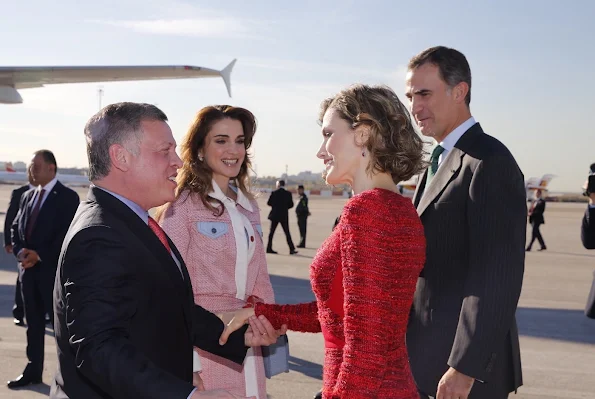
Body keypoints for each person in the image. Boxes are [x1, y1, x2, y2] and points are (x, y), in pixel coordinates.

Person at [51, 102, 285, 399]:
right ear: (121, 157)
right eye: (164, 151)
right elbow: (100, 349)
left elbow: (168, 306)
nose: (177, 161)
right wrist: (186, 395)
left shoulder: (131, 223)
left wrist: (234, 335)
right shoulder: (99, 236)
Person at [220, 84, 427, 398]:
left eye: (329, 134)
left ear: (363, 134)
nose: (320, 151)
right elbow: (345, 315)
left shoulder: (368, 211)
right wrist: (272, 315)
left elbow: (367, 347)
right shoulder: (395, 207)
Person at [405, 46, 526, 399]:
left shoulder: (488, 162)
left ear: (460, 91)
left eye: (424, 94)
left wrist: (464, 368)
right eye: (411, 96)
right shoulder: (442, 160)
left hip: (465, 374)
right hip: (433, 359)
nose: (415, 108)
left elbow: (497, 276)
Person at [158, 105, 275, 398]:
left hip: (247, 344)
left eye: (239, 140)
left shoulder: (249, 207)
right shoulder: (181, 207)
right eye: (221, 140)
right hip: (204, 345)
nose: (233, 149)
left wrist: (269, 319)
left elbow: (261, 283)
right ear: (200, 149)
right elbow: (168, 293)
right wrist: (189, 363)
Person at [8, 150, 80, 389]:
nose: (31, 171)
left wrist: (39, 255)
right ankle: (33, 370)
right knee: (33, 325)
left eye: (36, 167)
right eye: (30, 167)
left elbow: (66, 236)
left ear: (51, 168)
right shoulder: (28, 196)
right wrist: (20, 252)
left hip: (51, 274)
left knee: (63, 330)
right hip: (28, 272)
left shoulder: (68, 198)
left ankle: (69, 378)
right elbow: (15, 228)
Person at [3, 172, 35, 327]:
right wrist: (8, 242)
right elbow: (10, 218)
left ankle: (44, 313)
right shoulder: (19, 193)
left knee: (43, 281)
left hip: (41, 247)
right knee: (21, 279)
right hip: (23, 245)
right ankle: (19, 313)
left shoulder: (51, 195)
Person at [266, 180, 298, 255]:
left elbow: (269, 203)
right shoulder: (288, 193)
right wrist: (284, 207)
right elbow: (291, 205)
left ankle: (269, 248)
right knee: (287, 232)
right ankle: (291, 249)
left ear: (278, 185)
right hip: (284, 215)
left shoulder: (274, 193)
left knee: (271, 233)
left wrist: (275, 206)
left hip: (274, 215)